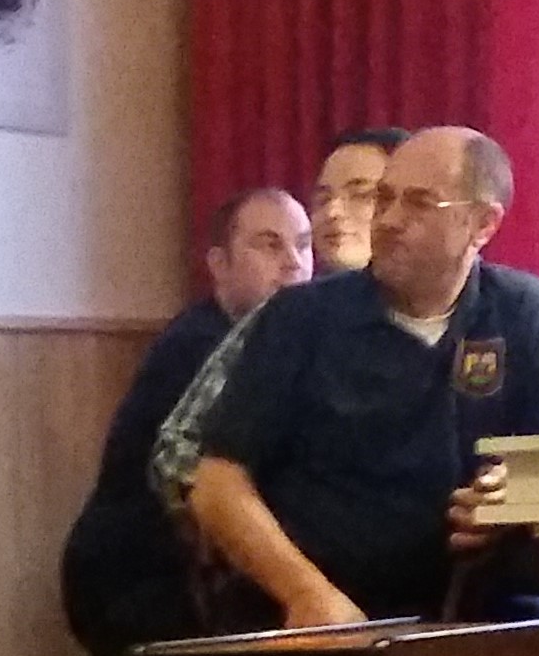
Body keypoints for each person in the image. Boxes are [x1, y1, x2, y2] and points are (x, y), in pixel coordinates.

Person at [182, 124, 539, 630]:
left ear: (483, 224)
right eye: (384, 199)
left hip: (483, 618)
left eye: (418, 203)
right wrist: (307, 594)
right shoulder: (301, 318)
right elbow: (217, 484)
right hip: (322, 613)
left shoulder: (529, 316)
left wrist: (514, 498)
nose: (388, 221)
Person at [59, 183, 311, 656]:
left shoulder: (276, 341)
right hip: (138, 575)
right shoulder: (199, 346)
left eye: (303, 244)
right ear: (219, 265)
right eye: (269, 245)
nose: (293, 263)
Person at [146, 130, 405, 536]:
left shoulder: (486, 312)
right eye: (322, 198)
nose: (334, 212)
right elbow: (176, 459)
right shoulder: (286, 314)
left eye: (360, 195)